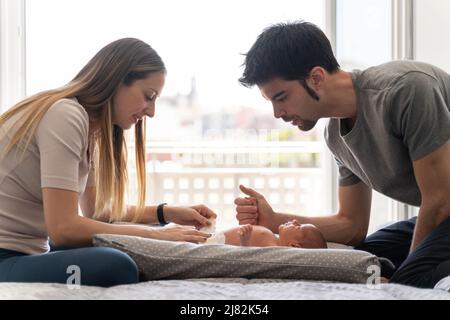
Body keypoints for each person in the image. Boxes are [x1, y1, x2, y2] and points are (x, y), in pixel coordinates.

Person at [235, 21, 450, 288]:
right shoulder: (335, 137)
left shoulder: (405, 90)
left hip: (445, 204)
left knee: (408, 280)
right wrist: (274, 220)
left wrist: (404, 274)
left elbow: (440, 199)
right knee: (362, 261)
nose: (278, 113)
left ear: (316, 78)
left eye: (282, 97)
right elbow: (352, 225)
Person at [0, 38, 216, 287]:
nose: (152, 111)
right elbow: (63, 228)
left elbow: (98, 212)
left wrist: (165, 213)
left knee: (119, 256)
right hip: (6, 256)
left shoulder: (88, 129)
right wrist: (156, 235)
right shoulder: (66, 115)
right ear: (117, 81)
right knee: (117, 265)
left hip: (32, 249)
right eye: (148, 96)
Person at [207, 219, 327, 248]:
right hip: (213, 237)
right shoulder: (273, 238)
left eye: (298, 227)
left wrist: (245, 241)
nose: (295, 221)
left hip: (212, 245)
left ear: (294, 245)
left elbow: (250, 259)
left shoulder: (273, 249)